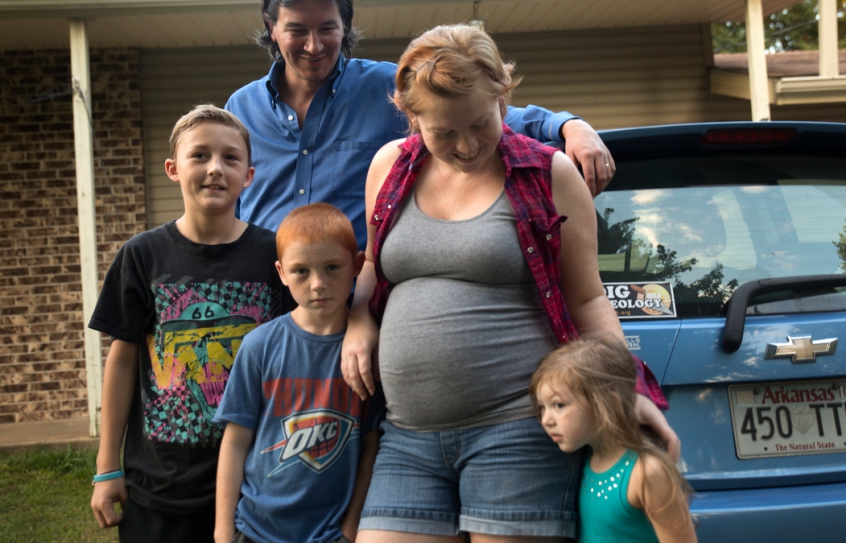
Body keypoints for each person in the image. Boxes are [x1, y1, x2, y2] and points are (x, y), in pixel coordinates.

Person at [341, 25, 675, 542]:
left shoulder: (548, 174)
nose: (467, 145)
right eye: (444, 132)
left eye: (479, 123)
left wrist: (628, 389)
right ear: (412, 118)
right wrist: (360, 319)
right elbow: (372, 267)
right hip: (406, 437)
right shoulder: (389, 167)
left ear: (503, 96)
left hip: (519, 431)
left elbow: (587, 299)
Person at [226, 0, 616, 249]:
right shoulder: (240, 108)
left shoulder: (384, 86)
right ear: (272, 27)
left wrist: (569, 126)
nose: (314, 45)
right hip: (271, 306)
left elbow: (480, 115)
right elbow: (230, 204)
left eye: (327, 28)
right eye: (297, 30)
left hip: (358, 307)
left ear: (344, 26)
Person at [88, 105, 291, 542]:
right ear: (173, 169)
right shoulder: (142, 256)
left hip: (257, 485)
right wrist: (108, 467)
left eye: (230, 158)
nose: (215, 169)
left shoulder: (275, 255)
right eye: (199, 155)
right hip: (160, 489)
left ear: (249, 175)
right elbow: (122, 362)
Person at [214, 203, 384, 543]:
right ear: (281, 272)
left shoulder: (368, 352)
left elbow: (370, 445)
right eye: (301, 271)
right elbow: (234, 443)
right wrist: (222, 533)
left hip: (330, 533)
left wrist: (350, 528)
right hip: (257, 530)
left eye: (332, 267)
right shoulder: (259, 346)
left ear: (357, 264)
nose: (318, 284)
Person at [530, 338, 696, 543]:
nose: (546, 420)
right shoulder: (582, 463)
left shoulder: (646, 472)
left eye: (559, 405)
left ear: (608, 403)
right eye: (543, 408)